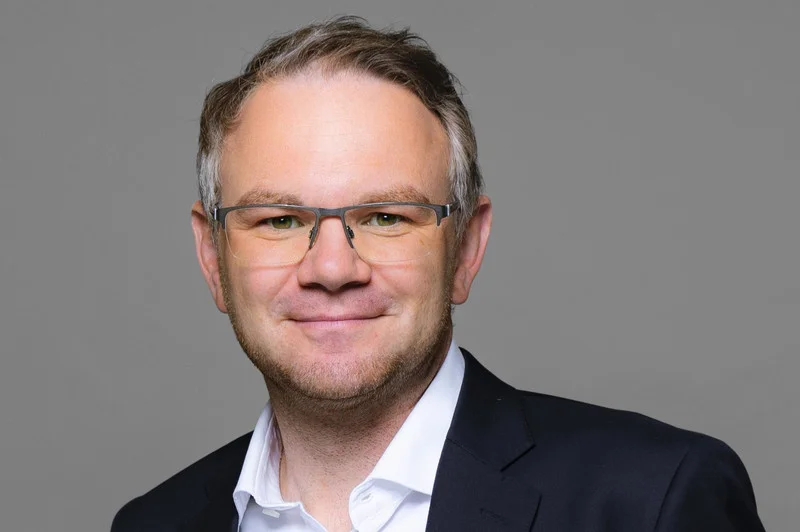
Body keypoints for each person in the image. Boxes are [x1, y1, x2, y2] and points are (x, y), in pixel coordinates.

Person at [111, 16, 765, 532]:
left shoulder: (653, 503)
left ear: (466, 248)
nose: (332, 268)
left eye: (386, 216)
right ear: (213, 257)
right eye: (279, 220)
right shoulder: (153, 523)